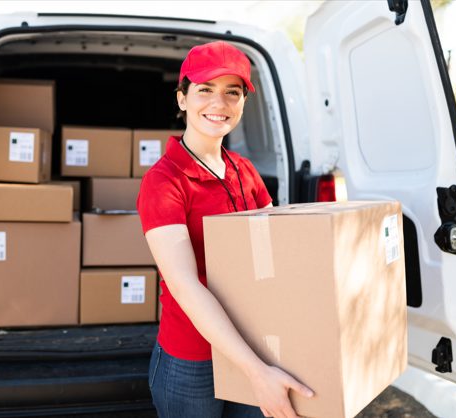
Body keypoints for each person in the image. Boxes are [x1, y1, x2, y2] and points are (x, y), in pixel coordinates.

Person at [137, 41, 314, 418]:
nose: (219, 104)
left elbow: (278, 253)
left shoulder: (245, 171)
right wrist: (257, 372)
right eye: (205, 90)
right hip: (193, 359)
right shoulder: (163, 182)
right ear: (182, 98)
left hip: (256, 343)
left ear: (243, 104)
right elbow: (185, 285)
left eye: (232, 93)